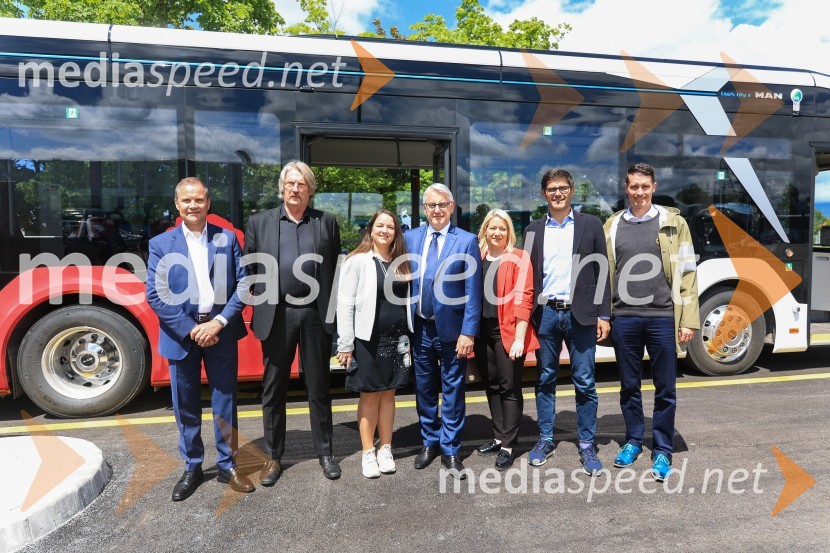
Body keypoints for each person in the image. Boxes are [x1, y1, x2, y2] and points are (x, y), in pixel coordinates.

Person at [146, 177, 254, 501]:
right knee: (186, 406)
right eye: (187, 200)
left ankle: (226, 465)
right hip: (183, 337)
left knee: (225, 402)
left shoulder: (228, 239)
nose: (193, 205)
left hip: (221, 332)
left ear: (208, 203)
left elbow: (245, 285)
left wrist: (218, 323)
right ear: (177, 205)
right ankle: (192, 466)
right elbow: (155, 293)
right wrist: (192, 328)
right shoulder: (161, 245)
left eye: (199, 200)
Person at [243, 160, 342, 483]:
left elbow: (334, 272)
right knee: (274, 390)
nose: (295, 189)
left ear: (310, 189)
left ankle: (326, 453)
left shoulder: (326, 223)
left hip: (315, 313)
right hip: (277, 314)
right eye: (290, 184)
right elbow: (250, 270)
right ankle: (273, 458)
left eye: (301, 184)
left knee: (318, 387)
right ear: (282, 188)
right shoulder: (259, 223)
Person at [603, 162, 700, 481]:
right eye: (633, 186)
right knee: (628, 386)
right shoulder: (613, 224)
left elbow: (687, 273)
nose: (639, 192)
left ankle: (662, 450)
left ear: (654, 187)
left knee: (665, 388)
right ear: (626, 188)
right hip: (625, 319)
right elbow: (605, 273)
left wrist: (687, 319)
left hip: (662, 317)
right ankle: (632, 441)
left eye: (645, 186)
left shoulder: (675, 222)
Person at [523, 169, 611, 475]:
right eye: (551, 189)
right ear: (544, 193)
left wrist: (603, 314)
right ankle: (545, 438)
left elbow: (603, 271)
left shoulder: (591, 224)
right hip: (545, 314)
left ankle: (587, 445)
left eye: (562, 188)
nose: (557, 193)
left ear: (571, 191)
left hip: (582, 314)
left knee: (585, 381)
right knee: (545, 378)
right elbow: (528, 276)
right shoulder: (533, 230)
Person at [404, 184, 482, 479]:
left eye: (442, 205)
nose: (436, 210)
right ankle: (430, 442)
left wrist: (468, 332)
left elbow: (474, 292)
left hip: (453, 330)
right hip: (420, 328)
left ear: (452, 207)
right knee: (424, 389)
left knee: (452, 390)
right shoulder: (410, 238)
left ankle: (450, 448)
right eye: (431, 205)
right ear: (424, 210)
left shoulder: (466, 241)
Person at [336, 209, 413, 478]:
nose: (385, 230)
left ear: (396, 232)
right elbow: (344, 304)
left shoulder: (402, 262)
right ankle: (368, 452)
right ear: (371, 230)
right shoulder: (356, 261)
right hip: (367, 340)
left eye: (390, 227)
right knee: (369, 395)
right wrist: (345, 344)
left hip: (398, 339)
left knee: (389, 394)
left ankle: (386, 449)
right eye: (380, 225)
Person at [473, 209, 539, 471]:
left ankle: (509, 445)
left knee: (509, 388)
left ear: (508, 232)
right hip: (481, 332)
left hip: (508, 333)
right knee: (491, 385)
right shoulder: (476, 257)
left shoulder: (519, 258)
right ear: (485, 230)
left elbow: (525, 299)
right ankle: (498, 436)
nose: (497, 233)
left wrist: (520, 339)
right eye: (492, 228)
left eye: (502, 228)